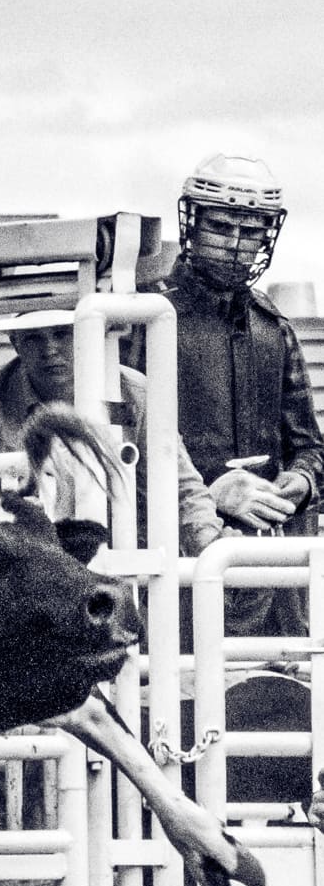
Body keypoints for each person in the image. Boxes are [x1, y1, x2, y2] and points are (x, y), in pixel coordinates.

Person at [141, 153, 324, 637]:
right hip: (177, 579)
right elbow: (126, 456)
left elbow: (310, 446)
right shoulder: (146, 318)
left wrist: (302, 481)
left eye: (252, 231)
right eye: (222, 227)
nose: (237, 244)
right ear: (193, 224)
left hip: (275, 585)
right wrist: (210, 493)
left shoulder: (273, 326)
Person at [0, 313, 223, 554]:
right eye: (33, 338)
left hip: (121, 558)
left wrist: (208, 543)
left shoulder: (135, 393)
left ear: (88, 334)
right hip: (24, 563)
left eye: (62, 333)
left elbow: (179, 484)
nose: (49, 349)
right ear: (15, 343)